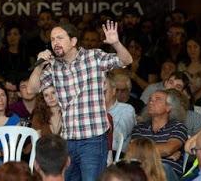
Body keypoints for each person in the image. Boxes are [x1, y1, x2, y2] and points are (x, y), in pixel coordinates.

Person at [27, 21, 132, 181]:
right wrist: (39, 66)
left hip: (93, 139)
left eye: (60, 38)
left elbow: (126, 60)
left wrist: (116, 43)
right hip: (68, 140)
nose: (55, 43)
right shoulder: (54, 66)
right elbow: (32, 89)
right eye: (53, 39)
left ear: (73, 41)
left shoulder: (93, 57)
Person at [132, 90, 187, 180]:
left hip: (167, 173)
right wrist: (164, 153)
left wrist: (146, 151)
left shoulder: (178, 126)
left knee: (162, 168)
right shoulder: (140, 127)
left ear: (168, 107)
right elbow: (134, 151)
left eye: (157, 99)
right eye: (150, 99)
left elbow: (168, 149)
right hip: (142, 170)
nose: (151, 102)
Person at [104, 75, 136, 153]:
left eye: (104, 92)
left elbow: (116, 142)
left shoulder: (126, 109)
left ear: (113, 91)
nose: (99, 95)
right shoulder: (93, 111)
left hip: (115, 155)